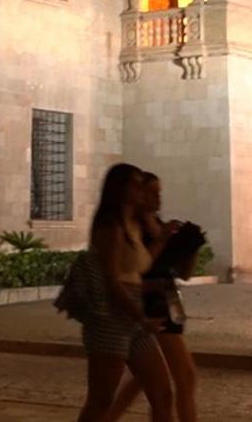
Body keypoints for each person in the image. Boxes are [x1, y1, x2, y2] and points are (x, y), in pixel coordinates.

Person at [77, 164, 174, 422]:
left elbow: (136, 271)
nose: (141, 191)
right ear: (119, 189)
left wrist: (162, 239)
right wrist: (140, 316)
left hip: (134, 315)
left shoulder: (134, 225)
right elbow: (112, 281)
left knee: (163, 393)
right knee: (100, 401)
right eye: (135, 185)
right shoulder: (111, 227)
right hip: (111, 318)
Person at [106, 173, 199, 422]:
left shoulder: (157, 225)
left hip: (168, 301)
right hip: (151, 304)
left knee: (144, 380)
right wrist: (163, 239)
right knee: (184, 376)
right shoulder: (133, 231)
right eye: (149, 192)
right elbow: (137, 270)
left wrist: (190, 248)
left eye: (158, 192)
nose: (156, 198)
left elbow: (183, 273)